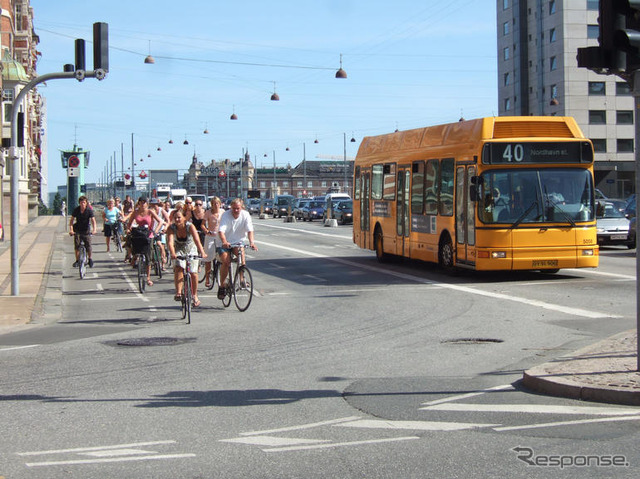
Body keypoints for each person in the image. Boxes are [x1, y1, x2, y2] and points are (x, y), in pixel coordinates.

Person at [217, 198, 258, 300]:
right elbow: (221, 231)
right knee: (226, 261)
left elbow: (250, 230)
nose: (236, 210)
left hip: (238, 242)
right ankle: (222, 286)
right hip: (225, 242)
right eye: (234, 208)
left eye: (238, 208)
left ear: (241, 207)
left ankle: (241, 279)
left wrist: (252, 242)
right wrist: (224, 242)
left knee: (242, 258)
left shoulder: (245, 215)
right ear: (231, 207)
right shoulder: (226, 215)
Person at [167, 208, 206, 307]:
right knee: (179, 267)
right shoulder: (171, 228)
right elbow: (170, 242)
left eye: (179, 218)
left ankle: (195, 295)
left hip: (191, 248)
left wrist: (202, 252)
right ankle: (179, 292)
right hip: (178, 248)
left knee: (193, 272)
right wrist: (172, 253)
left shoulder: (190, 226)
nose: (177, 220)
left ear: (184, 218)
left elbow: (197, 240)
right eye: (175, 218)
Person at [126, 196, 162, 287]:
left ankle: (148, 278)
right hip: (138, 233)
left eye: (144, 202)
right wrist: (128, 229)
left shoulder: (150, 212)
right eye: (141, 202)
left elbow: (160, 221)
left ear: (147, 203)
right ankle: (133, 256)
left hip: (148, 235)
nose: (143, 204)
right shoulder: (135, 212)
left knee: (148, 256)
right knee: (131, 240)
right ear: (138, 203)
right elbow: (129, 223)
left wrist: (155, 231)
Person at [69, 195, 97, 267]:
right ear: (79, 203)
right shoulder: (76, 210)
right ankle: (77, 260)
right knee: (77, 245)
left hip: (86, 230)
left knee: (88, 245)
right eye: (81, 203)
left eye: (84, 202)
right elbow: (71, 221)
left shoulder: (89, 210)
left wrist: (94, 230)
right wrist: (71, 230)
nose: (83, 204)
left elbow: (93, 221)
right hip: (78, 229)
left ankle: (90, 259)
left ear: (86, 203)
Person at [203, 196, 223, 288]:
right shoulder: (208, 213)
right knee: (208, 259)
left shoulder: (223, 212)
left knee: (223, 257)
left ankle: (222, 279)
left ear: (220, 204)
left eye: (217, 203)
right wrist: (206, 230)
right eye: (213, 204)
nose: (215, 205)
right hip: (210, 237)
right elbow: (202, 224)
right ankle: (207, 279)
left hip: (220, 237)